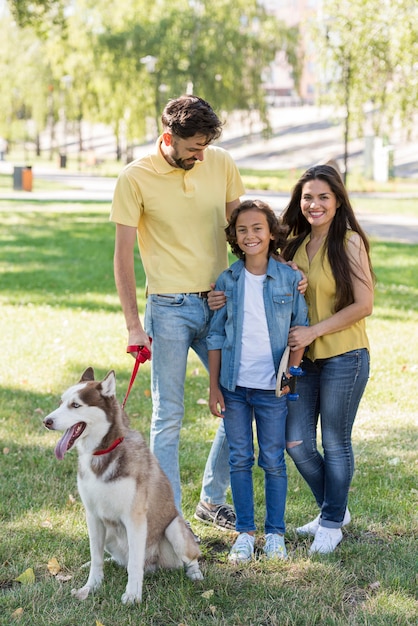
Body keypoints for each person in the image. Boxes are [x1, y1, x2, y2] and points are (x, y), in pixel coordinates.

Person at [110, 94, 245, 527]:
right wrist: (134, 325)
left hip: (219, 303)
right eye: (192, 150)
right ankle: (171, 521)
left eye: (205, 147)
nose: (200, 156)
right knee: (168, 416)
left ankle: (211, 499)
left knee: (240, 400)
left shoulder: (220, 162)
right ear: (168, 137)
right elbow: (123, 257)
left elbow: (242, 233)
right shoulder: (135, 177)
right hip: (168, 308)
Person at [207, 200, 308, 563]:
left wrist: (289, 377)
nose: (250, 235)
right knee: (238, 459)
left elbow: (299, 331)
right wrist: (213, 385)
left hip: (272, 389)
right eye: (242, 230)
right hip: (234, 389)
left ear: (271, 233)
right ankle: (245, 533)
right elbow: (216, 336)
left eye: (258, 229)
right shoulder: (227, 280)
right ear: (234, 236)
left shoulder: (289, 279)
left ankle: (275, 533)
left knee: (272, 460)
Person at [281, 164, 374, 554]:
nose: (314, 204)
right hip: (306, 360)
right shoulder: (296, 245)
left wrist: (314, 331)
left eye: (322, 197)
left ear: (337, 201)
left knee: (335, 442)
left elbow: (364, 304)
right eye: (307, 197)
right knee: (297, 443)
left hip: (344, 356)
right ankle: (335, 508)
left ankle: (332, 522)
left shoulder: (348, 241)